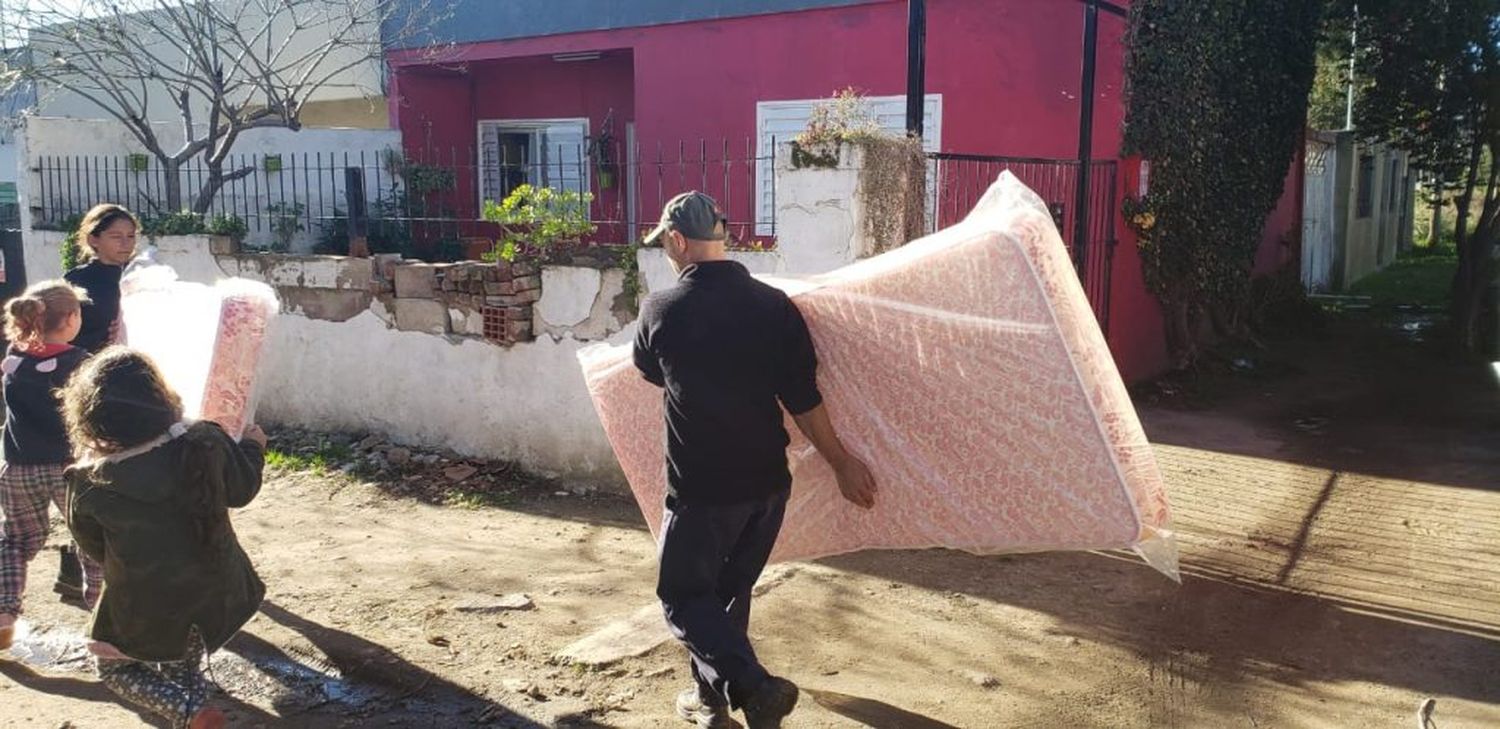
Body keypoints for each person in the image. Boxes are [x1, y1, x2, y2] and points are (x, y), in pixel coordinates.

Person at [633, 192, 878, 729]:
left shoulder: (660, 311)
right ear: (722, 237)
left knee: (681, 596)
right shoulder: (775, 306)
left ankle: (753, 688)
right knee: (724, 595)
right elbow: (803, 396)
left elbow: (651, 371)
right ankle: (714, 703)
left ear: (677, 241)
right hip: (768, 487)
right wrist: (840, 462)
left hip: (702, 490)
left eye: (666, 245)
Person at [60, 347, 267, 729]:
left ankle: (189, 713)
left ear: (88, 415)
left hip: (144, 600)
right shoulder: (203, 440)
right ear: (159, 396)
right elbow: (242, 489)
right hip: (214, 587)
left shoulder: (89, 481)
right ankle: (193, 714)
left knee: (114, 668)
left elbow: (92, 547)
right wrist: (254, 446)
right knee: (184, 662)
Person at [0, 280, 102, 650]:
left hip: (18, 467)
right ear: (72, 317)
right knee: (92, 540)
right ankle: (102, 614)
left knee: (15, 540)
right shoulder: (80, 363)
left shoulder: (14, 360)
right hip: (69, 468)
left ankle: (3, 614)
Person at [54, 204, 140, 604]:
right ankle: (74, 562)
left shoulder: (141, 277)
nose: (126, 244)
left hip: (134, 384)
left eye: (131, 236)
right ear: (93, 240)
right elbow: (61, 336)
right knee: (93, 477)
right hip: (90, 387)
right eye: (116, 236)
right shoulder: (78, 282)